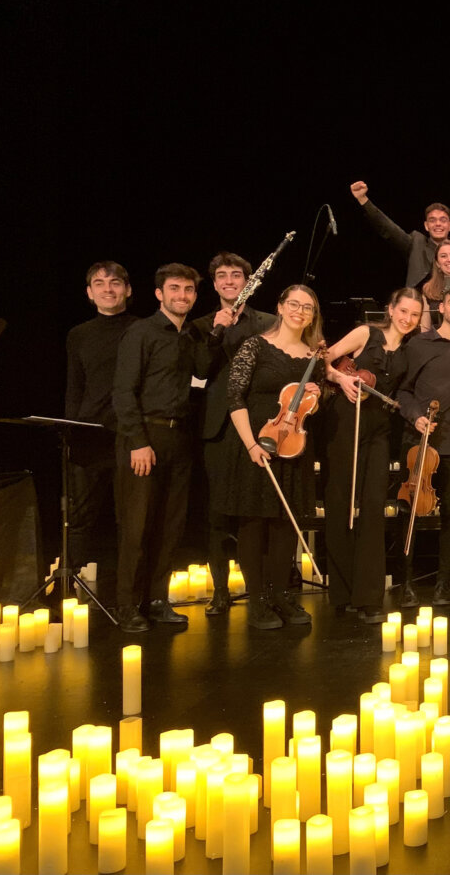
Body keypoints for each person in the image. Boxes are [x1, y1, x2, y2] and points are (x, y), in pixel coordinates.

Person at [225, 285, 327, 629]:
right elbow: (235, 397)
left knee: (286, 524)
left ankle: (281, 595)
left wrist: (316, 394)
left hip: (294, 447)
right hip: (258, 443)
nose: (300, 311)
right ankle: (258, 600)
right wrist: (251, 444)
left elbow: (313, 409)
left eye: (308, 308)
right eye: (294, 304)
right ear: (280, 307)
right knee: (254, 525)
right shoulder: (255, 345)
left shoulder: (313, 356)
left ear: (313, 316)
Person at [111, 263, 204, 633]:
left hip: (179, 438)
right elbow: (123, 391)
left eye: (188, 289)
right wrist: (138, 442)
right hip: (145, 436)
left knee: (170, 525)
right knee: (136, 527)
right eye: (175, 288)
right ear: (159, 294)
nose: (182, 295)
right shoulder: (141, 332)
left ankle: (156, 600)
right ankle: (127, 605)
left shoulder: (191, 335)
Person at [323, 288, 423, 623]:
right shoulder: (366, 333)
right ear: (390, 309)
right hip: (345, 421)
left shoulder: (409, 350)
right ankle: (341, 592)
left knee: (373, 509)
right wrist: (341, 379)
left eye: (415, 314)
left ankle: (368, 597)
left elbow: (404, 391)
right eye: (403, 311)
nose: (408, 319)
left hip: (379, 428)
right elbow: (322, 360)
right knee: (340, 503)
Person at [190, 251, 276, 617]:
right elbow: (198, 371)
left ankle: (264, 588)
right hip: (219, 428)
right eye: (222, 276)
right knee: (217, 514)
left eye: (236, 275)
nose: (230, 281)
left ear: (248, 282)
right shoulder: (200, 325)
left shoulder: (269, 322)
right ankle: (221, 591)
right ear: (214, 284)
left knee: (257, 512)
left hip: (260, 425)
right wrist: (216, 332)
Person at [396, 287, 450, 608]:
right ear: (441, 307)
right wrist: (416, 416)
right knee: (410, 513)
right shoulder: (418, 344)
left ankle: (444, 583)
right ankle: (405, 583)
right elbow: (403, 390)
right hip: (418, 441)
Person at [66, 261, 137, 592]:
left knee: (130, 519)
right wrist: (71, 431)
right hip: (89, 436)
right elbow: (74, 387)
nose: (108, 289)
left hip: (129, 436)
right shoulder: (78, 334)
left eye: (115, 283)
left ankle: (129, 591)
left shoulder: (141, 329)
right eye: (100, 283)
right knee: (79, 517)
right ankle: (70, 588)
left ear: (128, 290)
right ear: (89, 293)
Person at [349, 181, 450, 289]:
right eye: (432, 220)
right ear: (426, 226)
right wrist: (363, 199)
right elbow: (388, 228)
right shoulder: (416, 243)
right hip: (418, 301)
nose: (438, 224)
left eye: (443, 220)